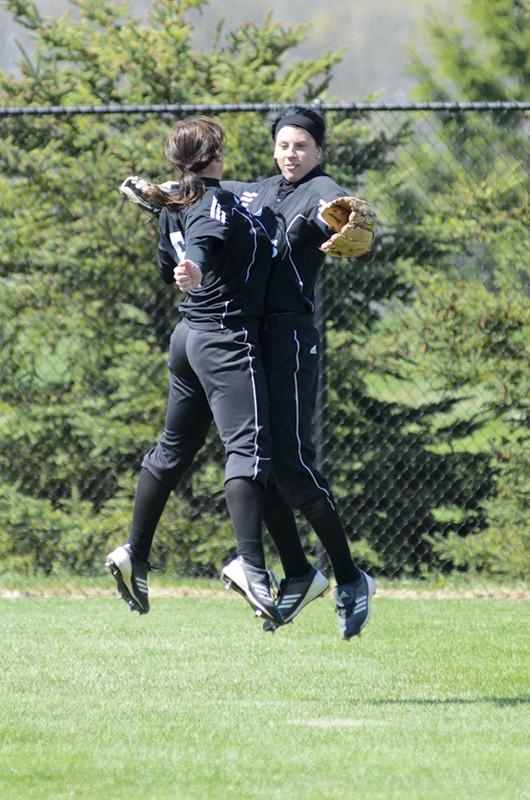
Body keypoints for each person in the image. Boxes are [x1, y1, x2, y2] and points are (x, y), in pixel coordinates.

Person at [120, 106, 376, 640]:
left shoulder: (320, 189)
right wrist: (167, 190)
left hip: (287, 338)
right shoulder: (257, 189)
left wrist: (343, 213)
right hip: (246, 335)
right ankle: (301, 574)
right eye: (284, 145)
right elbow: (209, 190)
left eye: (302, 146)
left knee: (289, 465)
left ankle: (350, 580)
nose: (291, 154)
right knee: (267, 462)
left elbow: (335, 207)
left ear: (319, 152)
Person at [106, 116, 283, 627]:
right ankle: (252, 566)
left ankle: (135, 552)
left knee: (172, 450)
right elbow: (202, 242)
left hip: (187, 338)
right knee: (247, 449)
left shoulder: (174, 203)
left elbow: (168, 265)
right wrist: (199, 265)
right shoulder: (208, 204)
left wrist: (188, 266)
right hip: (225, 338)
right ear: (215, 155)